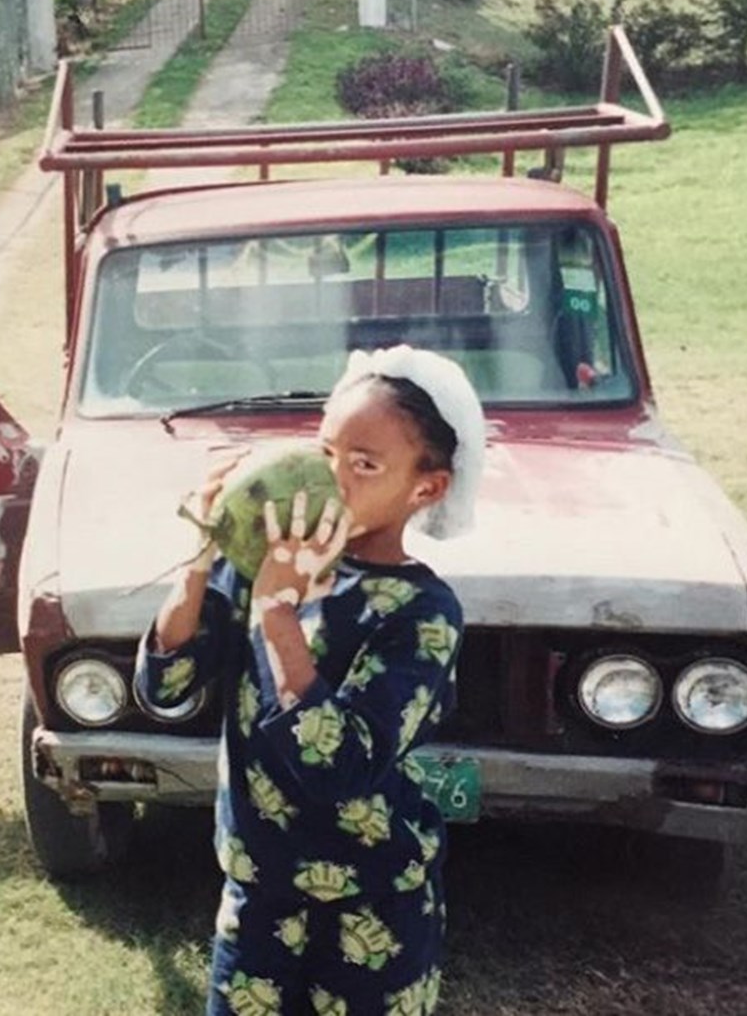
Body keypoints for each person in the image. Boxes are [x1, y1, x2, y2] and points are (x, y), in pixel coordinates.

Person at [134, 344, 485, 1016]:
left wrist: (279, 615)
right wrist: (202, 560)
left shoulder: (421, 612)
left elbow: (340, 762)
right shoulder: (263, 565)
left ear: (427, 487)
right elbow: (165, 687)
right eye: (327, 453)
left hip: (373, 907)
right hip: (259, 894)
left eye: (365, 464)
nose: (333, 478)